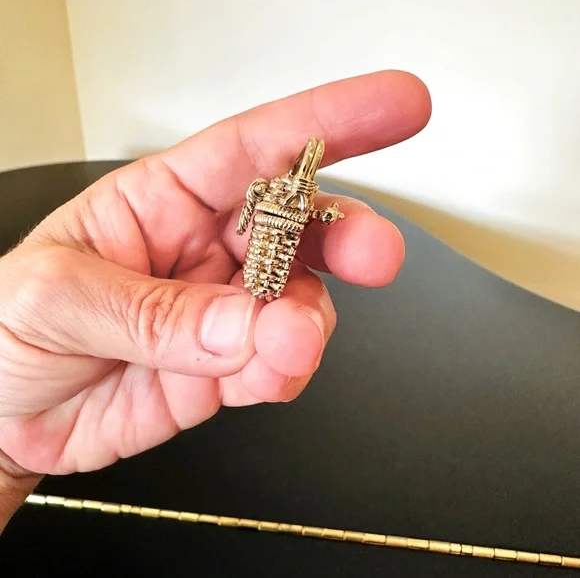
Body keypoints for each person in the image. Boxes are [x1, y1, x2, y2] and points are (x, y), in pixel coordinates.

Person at [0, 70, 431, 532]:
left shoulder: (284, 200)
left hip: (268, 254)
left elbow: (299, 214)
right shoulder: (266, 195)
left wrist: (8, 460)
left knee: (287, 336)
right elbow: (256, 206)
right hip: (263, 251)